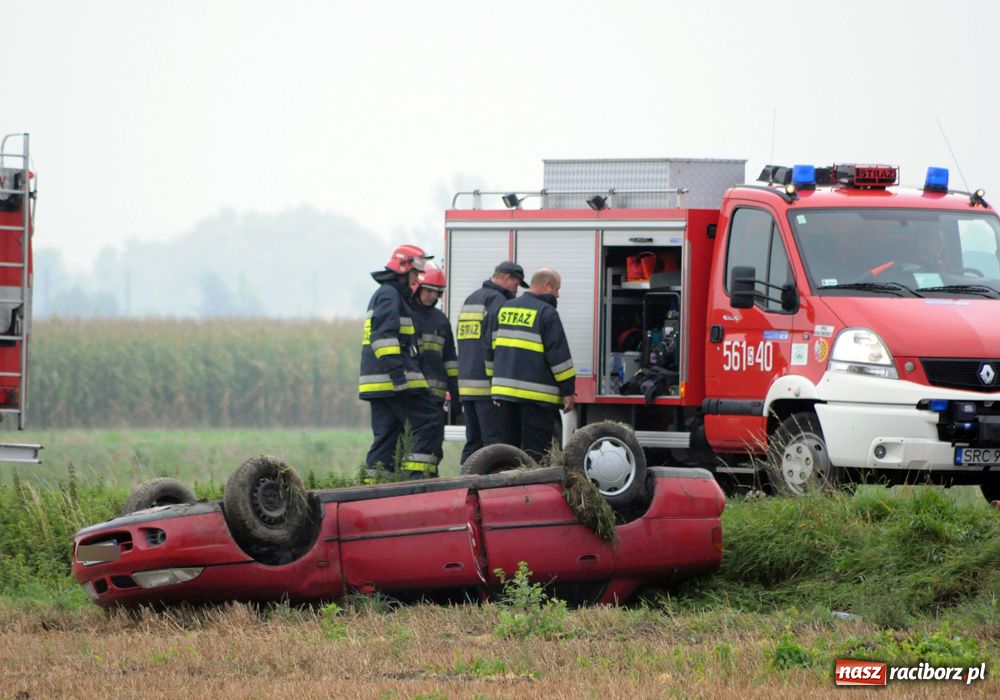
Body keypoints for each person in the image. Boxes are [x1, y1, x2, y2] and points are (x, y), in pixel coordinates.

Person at [359, 244, 441, 478]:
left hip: (381, 384)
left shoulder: (388, 294)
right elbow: (382, 338)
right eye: (415, 272)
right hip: (394, 381)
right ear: (404, 268)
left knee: (387, 437)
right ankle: (418, 482)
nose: (417, 278)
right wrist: (399, 378)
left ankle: (374, 491)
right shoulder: (390, 295)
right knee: (429, 421)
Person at [489, 268, 575, 462]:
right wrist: (568, 390)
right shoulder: (547, 312)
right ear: (546, 285)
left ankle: (506, 490)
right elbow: (559, 358)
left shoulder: (504, 309)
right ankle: (533, 492)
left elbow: (490, 349)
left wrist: (494, 386)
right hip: (537, 400)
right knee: (536, 454)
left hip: (506, 396)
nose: (558, 294)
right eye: (557, 289)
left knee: (507, 452)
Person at [456, 261, 527, 463]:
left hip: (467, 385)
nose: (516, 290)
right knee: (493, 444)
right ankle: (489, 490)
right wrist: (497, 381)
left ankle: (465, 483)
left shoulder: (472, 299)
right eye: (516, 284)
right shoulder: (497, 300)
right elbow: (495, 344)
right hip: (487, 387)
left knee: (473, 442)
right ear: (506, 278)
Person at [410, 264, 458, 464]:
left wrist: (456, 395)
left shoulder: (441, 320)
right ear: (418, 288)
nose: (432, 296)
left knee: (433, 447)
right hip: (411, 394)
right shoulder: (406, 315)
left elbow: (450, 359)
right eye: (428, 290)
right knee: (412, 444)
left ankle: (428, 483)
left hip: (435, 397)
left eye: (436, 292)